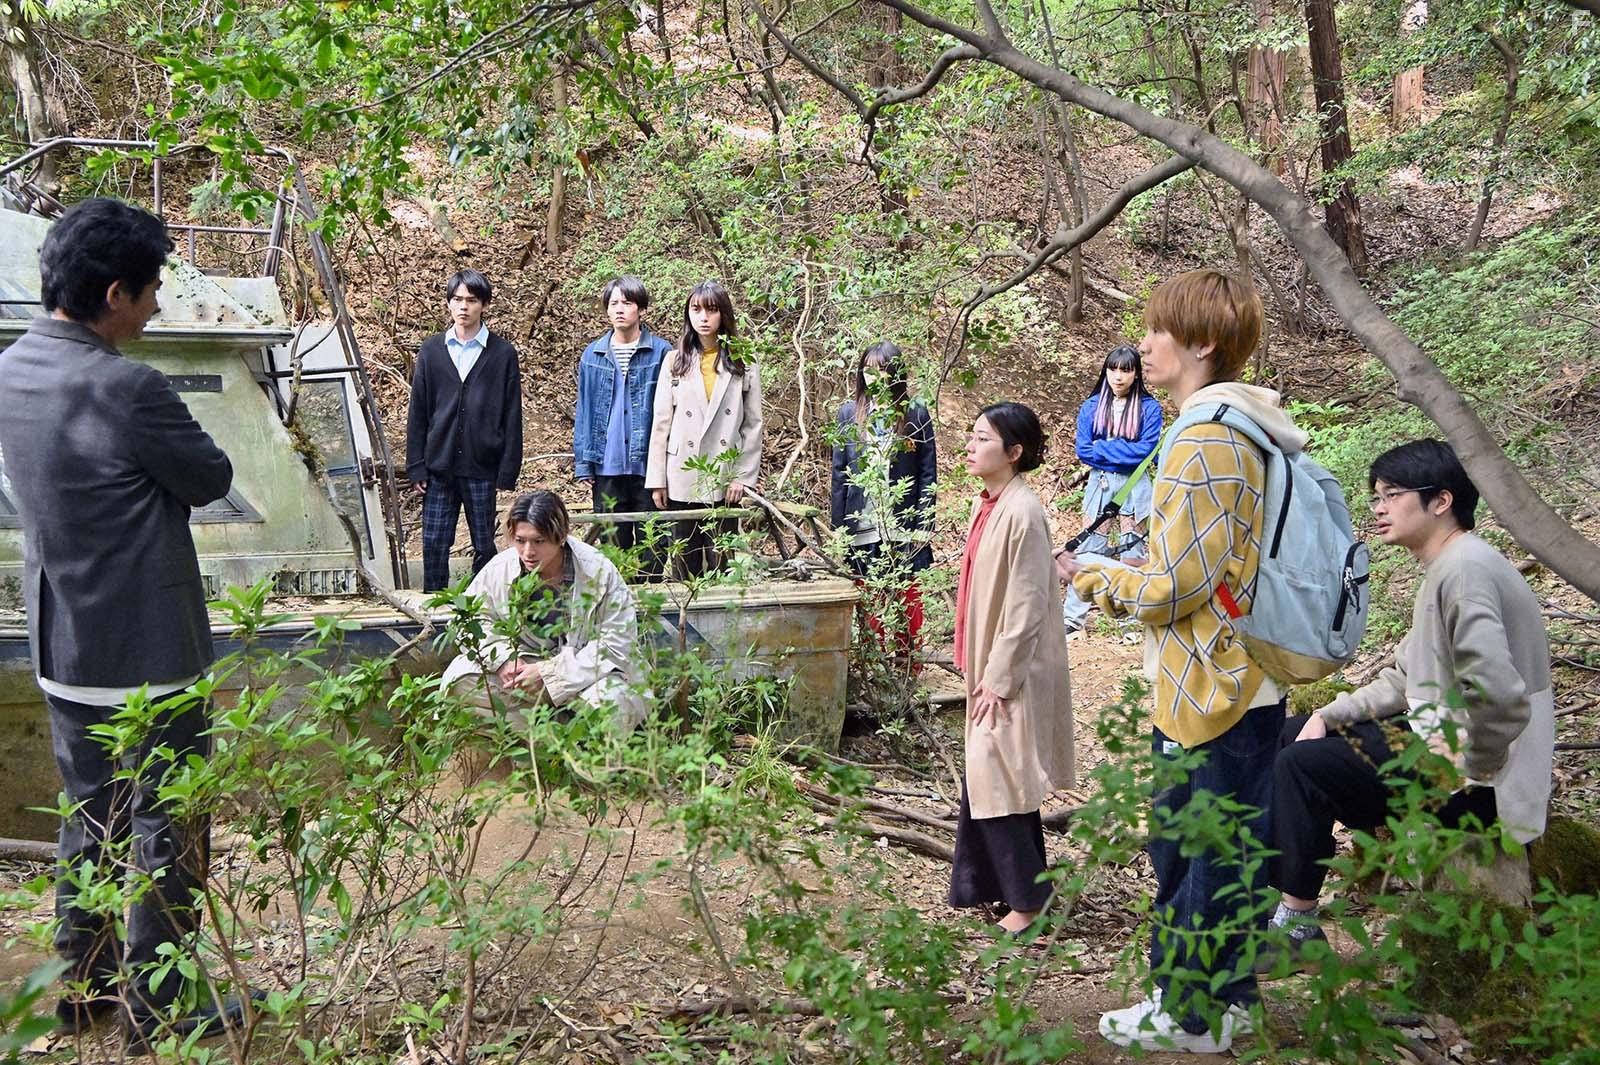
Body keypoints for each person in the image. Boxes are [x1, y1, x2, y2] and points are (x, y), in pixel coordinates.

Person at [0, 197, 253, 1047]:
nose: (156, 307)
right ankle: (161, 1006)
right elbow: (210, 474)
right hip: (151, 652)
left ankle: (85, 984)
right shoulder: (127, 385)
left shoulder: (14, 367)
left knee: (90, 815)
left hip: (65, 644)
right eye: (151, 292)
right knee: (168, 822)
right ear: (114, 293)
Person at [1059, 269, 1300, 1053]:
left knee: (1192, 847)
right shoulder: (1251, 426)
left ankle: (1186, 1011)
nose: (1145, 344)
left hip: (1207, 684)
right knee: (1231, 844)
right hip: (1248, 675)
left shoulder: (1204, 433)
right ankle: (1228, 1002)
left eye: (1159, 331)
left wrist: (1091, 576)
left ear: (1202, 343)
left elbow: (1174, 584)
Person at [1264, 440, 1554, 968]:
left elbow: (1503, 698)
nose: (1379, 508)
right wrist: (1329, 715)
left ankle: (1297, 920)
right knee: (1292, 734)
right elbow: (1404, 679)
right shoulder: (1450, 566)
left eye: (1393, 495)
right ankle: (1272, 899)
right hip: (1443, 744)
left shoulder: (1465, 572)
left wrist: (1473, 767)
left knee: (1301, 767)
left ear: (1441, 501)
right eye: (1376, 496)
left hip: (1486, 786)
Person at [949, 402, 1075, 937]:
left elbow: (1024, 608)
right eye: (973, 437)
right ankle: (987, 887)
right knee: (992, 774)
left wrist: (998, 680)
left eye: (983, 439)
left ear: (1015, 452)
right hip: (994, 660)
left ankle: (1028, 900)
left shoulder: (1022, 511)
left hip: (1014, 669)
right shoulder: (994, 503)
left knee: (999, 773)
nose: (972, 447)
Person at [441, 490, 650, 732]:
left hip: (586, 672)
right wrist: (505, 660)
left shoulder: (598, 571)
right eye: (520, 540)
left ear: (560, 536)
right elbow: (472, 620)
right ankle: (545, 743)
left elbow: (617, 642)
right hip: (523, 669)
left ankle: (582, 755)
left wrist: (551, 674)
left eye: (538, 541)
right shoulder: (500, 568)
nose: (528, 551)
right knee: (461, 682)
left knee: (612, 705)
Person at [406, 268, 524, 592]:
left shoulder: (502, 354)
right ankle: (434, 610)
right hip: (439, 466)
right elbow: (418, 411)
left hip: (482, 466)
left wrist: (507, 470)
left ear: (483, 304)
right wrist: (416, 464)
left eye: (471, 300)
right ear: (448, 304)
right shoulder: (432, 351)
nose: (463, 307)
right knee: (433, 543)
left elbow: (512, 415)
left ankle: (485, 607)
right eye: (457, 299)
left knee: (484, 545)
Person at [644, 281, 764, 578]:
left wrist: (742, 477)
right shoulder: (675, 360)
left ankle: (723, 625)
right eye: (696, 309)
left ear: (723, 314)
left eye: (711, 310)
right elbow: (661, 423)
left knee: (722, 561)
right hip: (682, 472)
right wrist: (657, 478)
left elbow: (753, 423)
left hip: (723, 476)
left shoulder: (743, 359)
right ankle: (686, 625)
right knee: (684, 563)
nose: (703, 318)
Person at [830, 342, 938, 653]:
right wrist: (839, 529)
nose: (874, 378)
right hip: (861, 522)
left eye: (882, 371)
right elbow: (839, 475)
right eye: (868, 371)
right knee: (868, 599)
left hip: (902, 522)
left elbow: (927, 473)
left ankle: (907, 662)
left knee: (907, 598)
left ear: (896, 373)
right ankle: (873, 665)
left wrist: (923, 524)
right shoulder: (849, 414)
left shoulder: (915, 412)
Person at [573, 276, 675, 574]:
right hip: (606, 465)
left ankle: (651, 612)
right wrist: (584, 463)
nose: (620, 309)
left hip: (648, 466)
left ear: (641, 308)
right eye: (614, 303)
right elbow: (585, 410)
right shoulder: (593, 354)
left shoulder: (661, 352)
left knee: (654, 545)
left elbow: (670, 410)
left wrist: (668, 463)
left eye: (627, 303)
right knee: (611, 550)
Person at [1061, 343, 1163, 635]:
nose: (1118, 376)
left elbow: (1147, 451)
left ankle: (1133, 615)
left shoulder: (1149, 408)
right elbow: (1083, 449)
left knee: (1134, 547)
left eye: (1126, 370)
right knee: (1090, 545)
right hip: (1100, 480)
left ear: (1136, 374)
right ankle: (1073, 617)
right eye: (1113, 369)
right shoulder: (1091, 406)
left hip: (1136, 482)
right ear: (1105, 371)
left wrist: (1104, 446)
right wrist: (1121, 450)